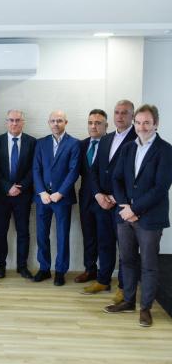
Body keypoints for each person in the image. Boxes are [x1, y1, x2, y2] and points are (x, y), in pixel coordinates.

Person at [104, 104, 172, 327]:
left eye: (147, 123)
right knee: (127, 260)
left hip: (149, 218)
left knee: (149, 264)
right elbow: (116, 179)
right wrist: (125, 205)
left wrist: (135, 209)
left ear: (156, 124)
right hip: (125, 215)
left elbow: (160, 187)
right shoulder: (128, 148)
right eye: (139, 122)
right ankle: (128, 301)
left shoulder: (165, 150)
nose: (142, 127)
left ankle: (145, 309)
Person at [85, 100, 136, 301]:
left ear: (132, 116)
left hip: (123, 204)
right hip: (102, 203)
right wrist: (98, 194)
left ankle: (124, 287)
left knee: (125, 248)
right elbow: (94, 170)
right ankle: (103, 280)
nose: (120, 116)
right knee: (104, 243)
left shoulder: (137, 138)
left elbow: (135, 174)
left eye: (124, 112)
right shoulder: (106, 139)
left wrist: (116, 197)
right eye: (117, 112)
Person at [32, 110, 80, 286]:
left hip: (62, 198)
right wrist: (42, 192)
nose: (56, 124)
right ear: (48, 123)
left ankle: (60, 271)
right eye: (52, 121)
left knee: (62, 235)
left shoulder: (74, 143)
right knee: (42, 235)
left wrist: (60, 193)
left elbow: (74, 171)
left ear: (66, 122)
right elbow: (36, 169)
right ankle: (44, 268)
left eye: (59, 120)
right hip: (43, 198)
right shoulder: (41, 143)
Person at [0, 109, 36, 279]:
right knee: (0, 232)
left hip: (23, 196)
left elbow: (34, 168)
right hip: (1, 196)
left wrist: (20, 187)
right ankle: (0, 266)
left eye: (18, 120)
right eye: (11, 120)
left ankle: (22, 267)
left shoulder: (32, 142)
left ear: (23, 122)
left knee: (23, 232)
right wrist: (7, 187)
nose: (14, 123)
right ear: (6, 122)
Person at [76, 109, 108, 292]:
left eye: (98, 123)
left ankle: (104, 275)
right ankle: (90, 270)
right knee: (88, 235)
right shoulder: (81, 145)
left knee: (104, 237)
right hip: (85, 197)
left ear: (106, 126)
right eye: (90, 123)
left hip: (104, 198)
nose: (93, 126)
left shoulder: (111, 143)